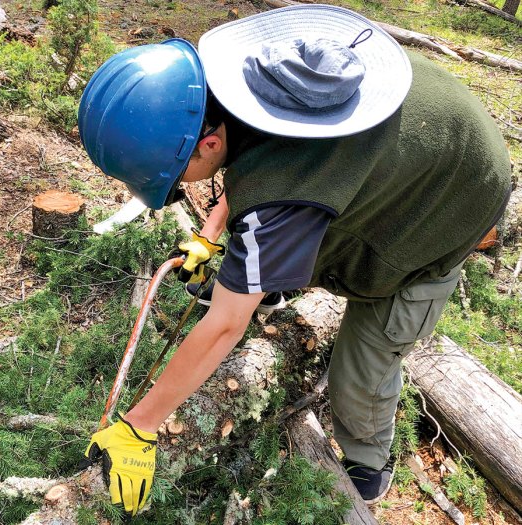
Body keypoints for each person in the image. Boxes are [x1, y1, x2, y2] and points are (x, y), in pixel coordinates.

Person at [77, 4, 512, 517]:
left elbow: (223, 326)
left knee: (367, 355)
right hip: (420, 127)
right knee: (290, 228)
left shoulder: (282, 191)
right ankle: (272, 279)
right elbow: (258, 160)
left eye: (174, 178)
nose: (177, 188)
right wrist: (211, 235)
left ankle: (368, 467)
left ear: (208, 142)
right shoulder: (228, 84)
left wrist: (141, 426)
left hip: (455, 189)